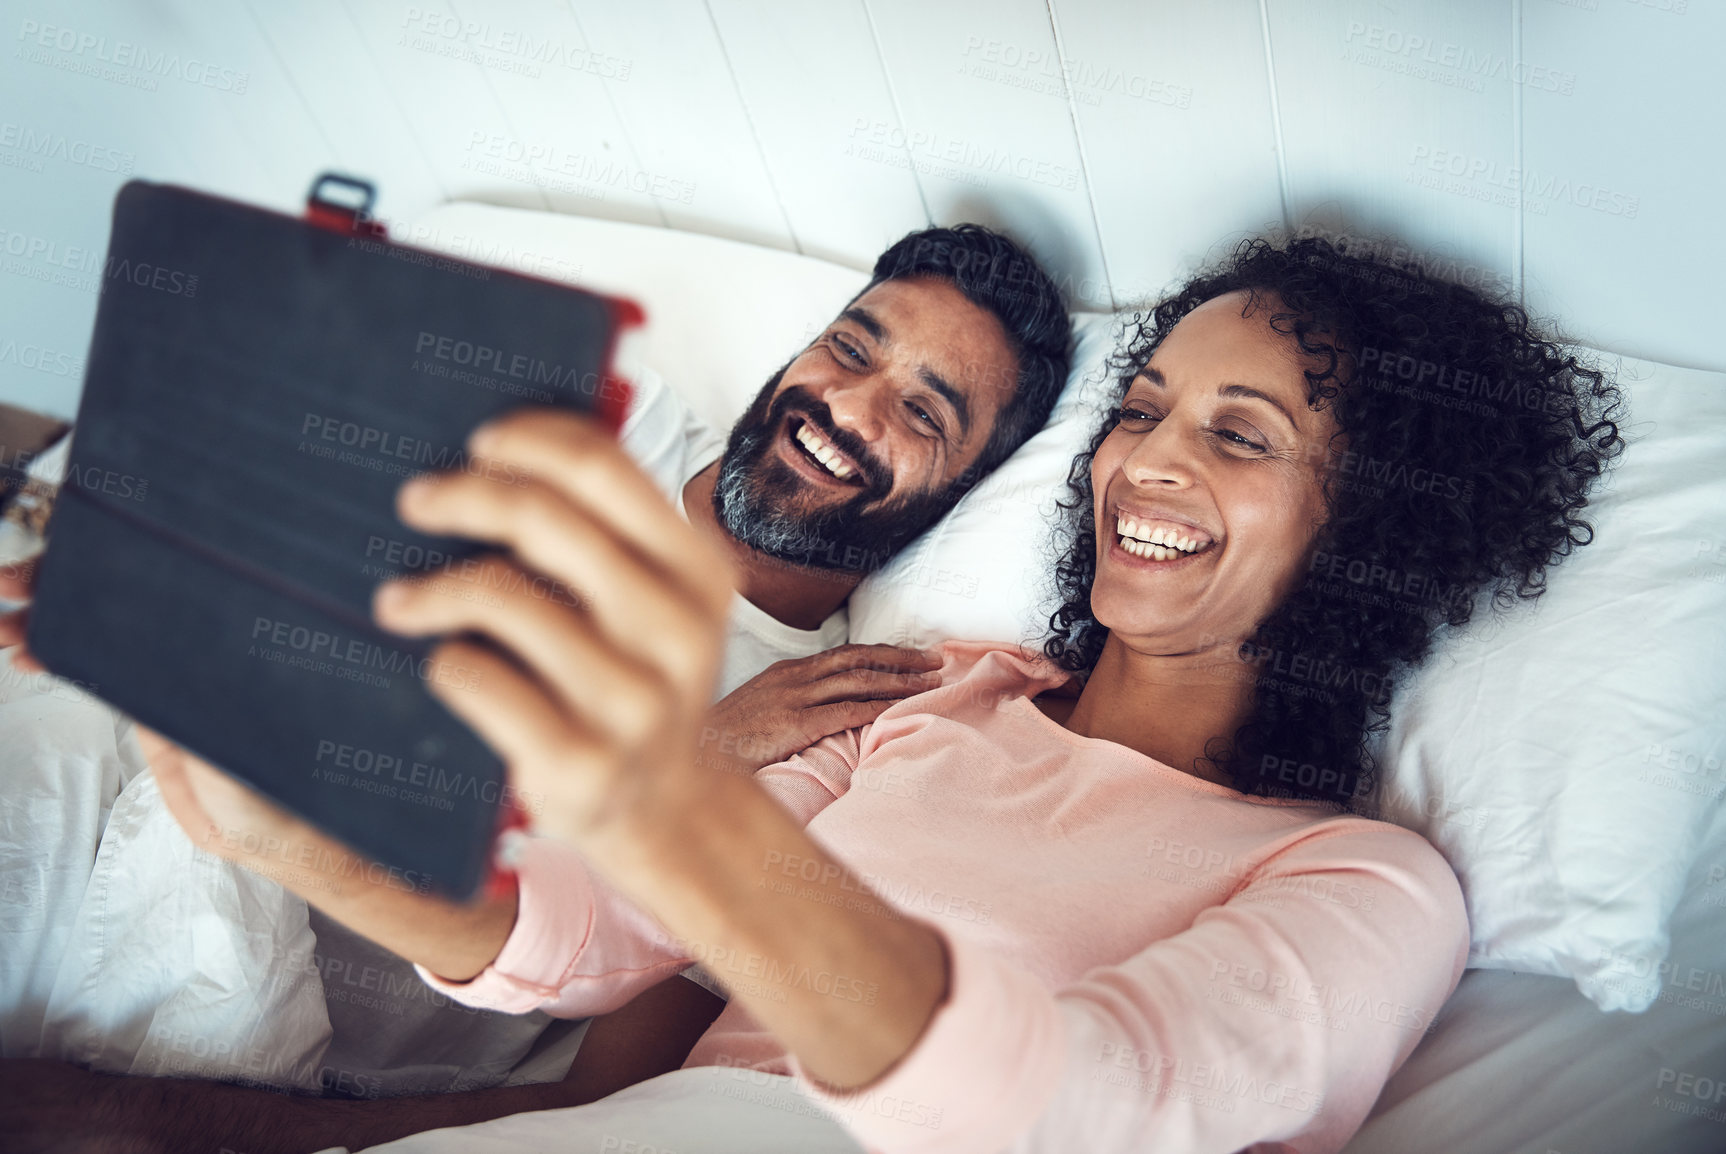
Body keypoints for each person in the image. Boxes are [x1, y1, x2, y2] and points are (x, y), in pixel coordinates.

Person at [16, 231, 1625, 1152]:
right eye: (1143, 407)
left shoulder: (1361, 880)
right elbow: (586, 936)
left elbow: (1093, 1103)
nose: (1144, 457)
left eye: (1240, 434)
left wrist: (667, 797)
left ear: (1380, 530)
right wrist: (273, 813)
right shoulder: (927, 699)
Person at [0, 225, 1072, 1150]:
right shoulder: (600, 418)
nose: (848, 406)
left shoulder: (826, 734)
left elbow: (598, 1102)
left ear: (962, 493)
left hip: (234, 1006)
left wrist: (154, 1123)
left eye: (924, 416)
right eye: (850, 347)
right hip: (103, 754)